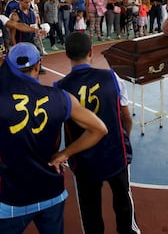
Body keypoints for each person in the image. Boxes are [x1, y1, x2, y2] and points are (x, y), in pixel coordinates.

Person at [0, 42, 107, 233]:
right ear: (38, 65)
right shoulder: (61, 97)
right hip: (52, 193)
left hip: (11, 198)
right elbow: (99, 129)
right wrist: (65, 153)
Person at [55, 32, 140, 234]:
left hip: (84, 160)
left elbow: (57, 130)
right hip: (115, 153)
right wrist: (123, 139)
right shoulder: (112, 77)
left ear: (66, 54)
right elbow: (126, 117)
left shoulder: (60, 88)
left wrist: (62, 153)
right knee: (123, 200)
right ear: (91, 51)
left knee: (90, 209)